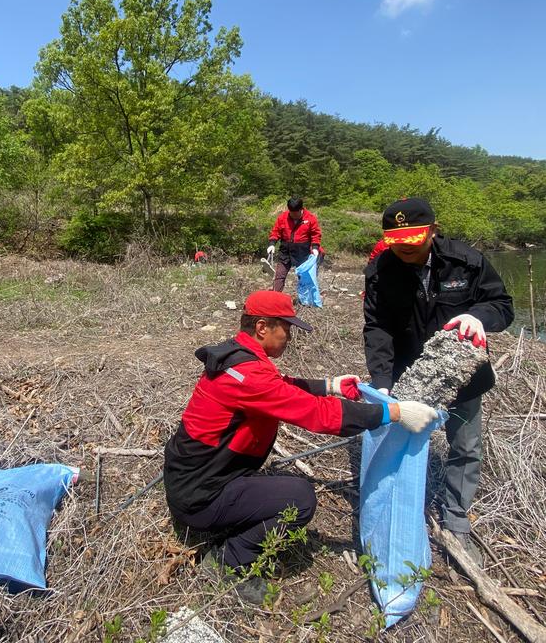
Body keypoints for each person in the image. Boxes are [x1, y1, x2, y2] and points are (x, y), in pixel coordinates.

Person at [165, 290, 438, 603]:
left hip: (194, 481)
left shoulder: (239, 358)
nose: (290, 336)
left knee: (284, 491)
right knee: (300, 499)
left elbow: (281, 387)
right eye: (286, 327)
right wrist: (394, 413)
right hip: (199, 498)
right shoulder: (246, 376)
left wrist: (330, 386)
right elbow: (317, 414)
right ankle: (229, 561)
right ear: (262, 327)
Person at [363, 198, 514, 566]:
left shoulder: (467, 261)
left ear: (433, 230)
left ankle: (457, 520)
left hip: (460, 373)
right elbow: (377, 327)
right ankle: (401, 510)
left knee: (465, 445)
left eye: (413, 240)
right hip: (408, 376)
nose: (404, 248)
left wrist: (479, 317)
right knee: (401, 444)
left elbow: (502, 305)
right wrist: (381, 381)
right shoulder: (381, 270)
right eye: (397, 241)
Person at [266, 197, 321, 293]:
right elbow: (276, 231)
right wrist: (272, 244)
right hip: (285, 250)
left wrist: (315, 247)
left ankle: (304, 298)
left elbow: (315, 234)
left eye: (296, 213)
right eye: (291, 213)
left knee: (304, 277)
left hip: (303, 251)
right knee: (279, 276)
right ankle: (276, 296)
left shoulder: (310, 218)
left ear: (301, 209)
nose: (294, 215)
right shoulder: (283, 217)